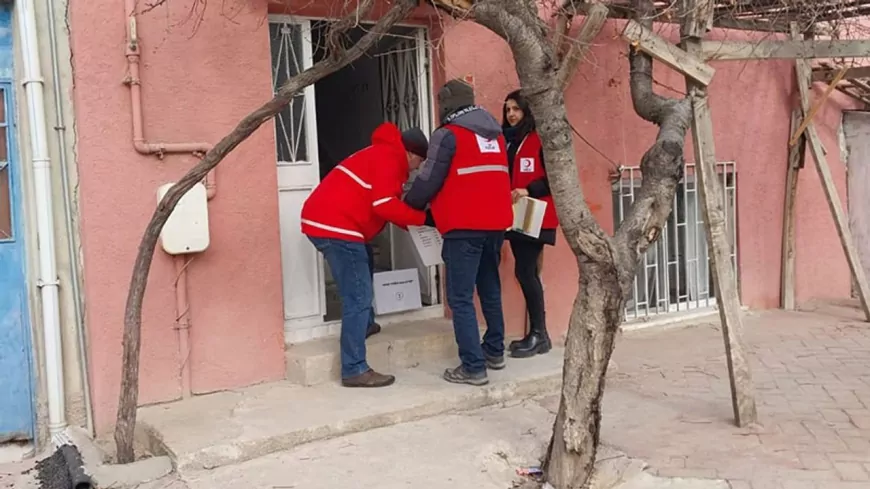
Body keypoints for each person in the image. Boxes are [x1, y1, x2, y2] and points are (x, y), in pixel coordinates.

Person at [301, 122, 430, 388]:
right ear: (413, 155)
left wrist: (409, 223)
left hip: (331, 222)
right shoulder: (390, 159)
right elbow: (384, 205)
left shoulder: (381, 153)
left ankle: (366, 324)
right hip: (336, 227)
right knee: (357, 295)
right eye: (419, 163)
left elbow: (382, 202)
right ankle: (354, 368)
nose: (416, 169)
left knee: (365, 261)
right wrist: (422, 219)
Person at [404, 79, 513, 386]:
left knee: (460, 298)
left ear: (447, 103)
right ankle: (494, 352)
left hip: (463, 226)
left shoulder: (448, 134)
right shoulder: (495, 134)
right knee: (490, 289)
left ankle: (472, 367)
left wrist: (410, 201)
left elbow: (428, 179)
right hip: (495, 225)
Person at [502, 89, 559, 358]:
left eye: (516, 109)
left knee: (526, 272)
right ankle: (536, 333)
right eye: (508, 110)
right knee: (524, 273)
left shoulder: (539, 139)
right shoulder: (509, 141)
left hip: (535, 215)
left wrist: (529, 189)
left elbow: (556, 177)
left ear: (527, 111)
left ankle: (540, 334)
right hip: (516, 216)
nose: (511, 114)